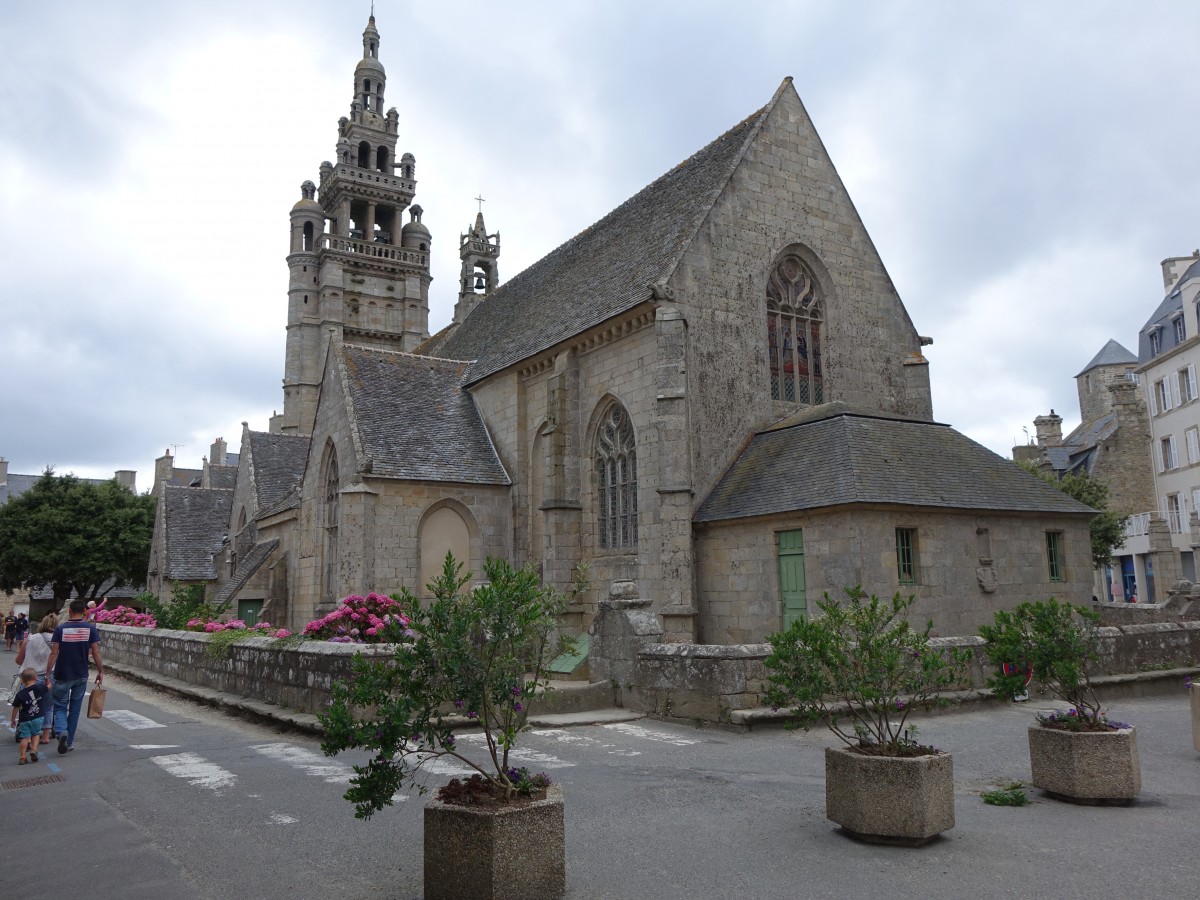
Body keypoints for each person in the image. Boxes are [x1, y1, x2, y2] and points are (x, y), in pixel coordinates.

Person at [44, 600, 104, 754]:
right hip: (81, 674)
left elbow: (54, 652)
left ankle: (62, 731)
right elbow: (96, 652)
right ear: (84, 611)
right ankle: (69, 741)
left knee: (60, 705)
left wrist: (47, 672)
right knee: (75, 709)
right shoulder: (90, 628)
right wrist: (100, 671)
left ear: (69, 610)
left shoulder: (61, 629)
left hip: (62, 674)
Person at [16, 614, 58, 745]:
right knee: (48, 706)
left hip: (29, 677)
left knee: (27, 706)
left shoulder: (30, 638)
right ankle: (45, 736)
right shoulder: (57, 641)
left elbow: (19, 659)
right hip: (48, 676)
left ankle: (27, 735)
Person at [10, 668, 49, 764]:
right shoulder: (40, 688)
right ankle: (34, 749)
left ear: (22, 680)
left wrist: (13, 720)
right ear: (36, 678)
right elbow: (48, 687)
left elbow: (15, 708)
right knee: (35, 734)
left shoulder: (20, 694)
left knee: (24, 737)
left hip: (24, 719)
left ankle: (22, 757)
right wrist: (47, 681)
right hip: (38, 717)